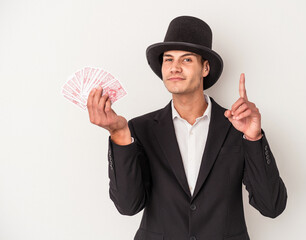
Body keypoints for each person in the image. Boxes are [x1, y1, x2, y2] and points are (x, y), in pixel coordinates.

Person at [87, 16, 287, 240]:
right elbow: (128, 206)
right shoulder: (140, 129)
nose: (174, 67)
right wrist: (119, 134)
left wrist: (253, 138)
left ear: (205, 68)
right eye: (168, 59)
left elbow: (272, 206)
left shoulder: (236, 127)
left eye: (187, 60)